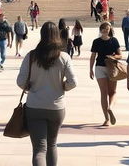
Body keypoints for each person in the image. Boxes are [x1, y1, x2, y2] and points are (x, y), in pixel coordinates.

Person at [17, 21, 77, 166]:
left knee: (39, 149)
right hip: (56, 106)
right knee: (52, 145)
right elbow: (73, 82)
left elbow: (20, 81)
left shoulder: (31, 56)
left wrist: (30, 87)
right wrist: (63, 86)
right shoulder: (64, 57)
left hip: (35, 106)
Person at [89, 22, 121, 126]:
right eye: (103, 29)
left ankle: (107, 119)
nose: (104, 30)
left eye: (106, 29)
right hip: (110, 68)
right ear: (101, 30)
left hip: (100, 67)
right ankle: (110, 108)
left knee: (104, 93)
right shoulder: (114, 40)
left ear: (109, 30)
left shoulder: (96, 41)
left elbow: (93, 56)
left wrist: (91, 69)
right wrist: (113, 57)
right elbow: (120, 55)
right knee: (112, 92)